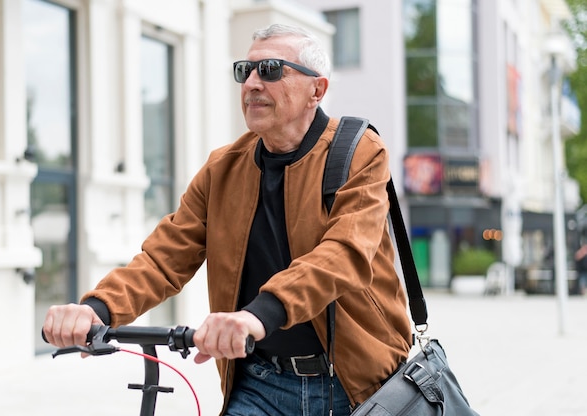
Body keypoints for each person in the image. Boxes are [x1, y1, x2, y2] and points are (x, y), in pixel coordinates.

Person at [42, 23, 411, 415]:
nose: (252, 83)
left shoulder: (359, 151)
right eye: (244, 71)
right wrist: (96, 310)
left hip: (359, 386)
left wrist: (256, 316)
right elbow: (163, 259)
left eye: (270, 70)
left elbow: (344, 254)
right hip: (260, 386)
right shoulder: (223, 169)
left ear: (316, 90)